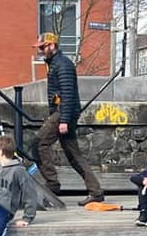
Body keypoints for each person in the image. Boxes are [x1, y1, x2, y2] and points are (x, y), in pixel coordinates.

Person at [33, 32, 104, 206]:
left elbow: (68, 94)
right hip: (64, 112)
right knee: (73, 154)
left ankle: (52, 185)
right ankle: (96, 191)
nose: (40, 51)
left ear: (52, 46)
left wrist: (63, 120)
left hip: (64, 113)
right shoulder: (55, 63)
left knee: (39, 143)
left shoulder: (62, 65)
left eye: (42, 47)